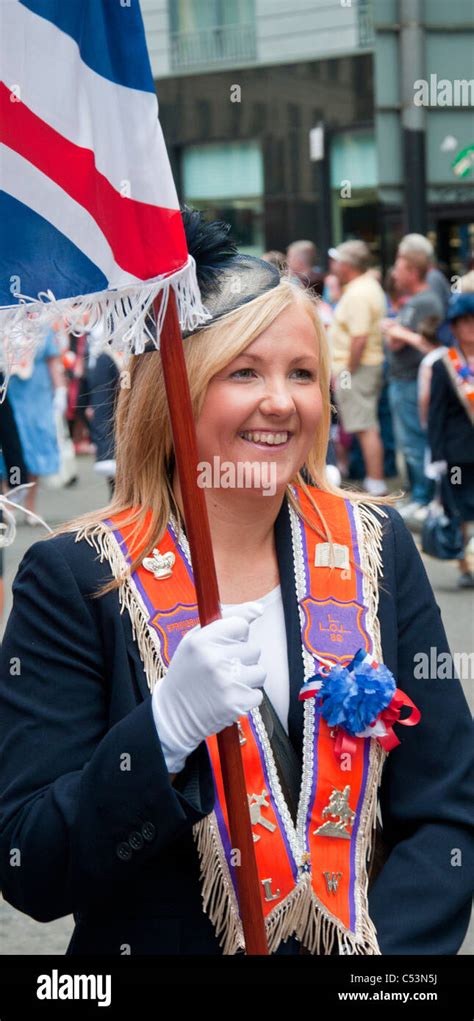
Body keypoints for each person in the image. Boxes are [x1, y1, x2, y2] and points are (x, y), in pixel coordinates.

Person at [0, 211, 472, 958]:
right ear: (174, 395)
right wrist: (159, 736)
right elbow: (30, 863)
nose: (282, 401)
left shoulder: (377, 548)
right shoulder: (76, 577)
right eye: (244, 371)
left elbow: (445, 810)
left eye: (303, 373)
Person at [383, 248, 444, 523]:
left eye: (399, 267)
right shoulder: (416, 301)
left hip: (411, 381)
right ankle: (420, 496)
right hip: (405, 380)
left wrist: (394, 330)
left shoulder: (423, 302)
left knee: (414, 443)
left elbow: (396, 341)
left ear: (412, 272)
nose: (394, 274)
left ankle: (424, 499)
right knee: (410, 442)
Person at [328, 240, 387, 497]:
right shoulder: (363, 287)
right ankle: (374, 481)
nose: (333, 265)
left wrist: (346, 372)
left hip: (357, 369)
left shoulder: (358, 293)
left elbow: (359, 338)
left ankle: (375, 483)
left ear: (347, 265)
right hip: (361, 368)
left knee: (365, 426)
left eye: (337, 260)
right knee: (365, 425)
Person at [427, 293, 474, 588]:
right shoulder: (444, 364)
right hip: (458, 453)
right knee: (461, 508)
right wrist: (437, 458)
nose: (470, 327)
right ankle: (465, 565)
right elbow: (436, 413)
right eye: (464, 322)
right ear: (454, 327)